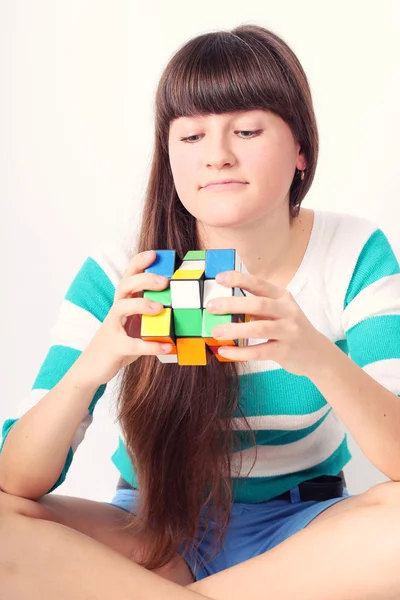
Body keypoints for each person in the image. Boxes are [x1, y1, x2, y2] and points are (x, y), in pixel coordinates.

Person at [1, 23, 400, 600]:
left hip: (304, 535)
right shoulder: (124, 269)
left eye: (246, 129)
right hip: (149, 531)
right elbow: (17, 480)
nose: (216, 155)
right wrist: (96, 361)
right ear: (169, 156)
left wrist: (316, 355)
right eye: (191, 137)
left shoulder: (353, 251)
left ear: (301, 151)